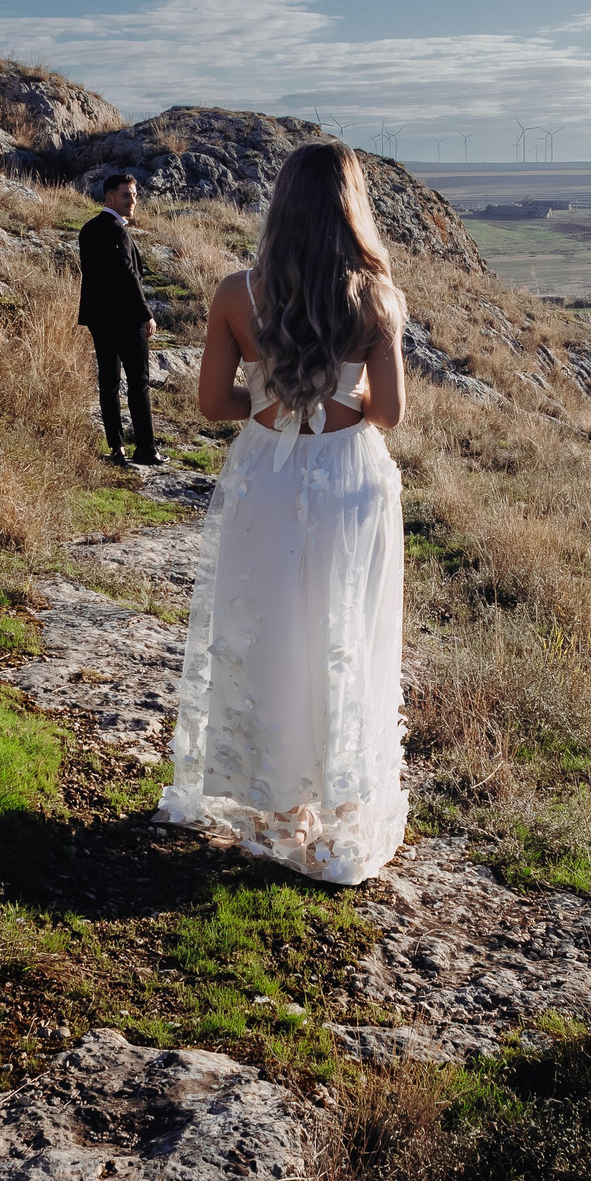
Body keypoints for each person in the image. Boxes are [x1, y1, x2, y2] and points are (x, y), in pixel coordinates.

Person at [156, 142, 409, 885]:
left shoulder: (238, 292)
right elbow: (388, 414)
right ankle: (334, 809)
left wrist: (271, 403)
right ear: (351, 206)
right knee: (342, 633)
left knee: (269, 631)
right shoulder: (376, 297)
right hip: (349, 481)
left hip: (266, 473)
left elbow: (209, 404)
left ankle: (273, 805)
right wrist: (340, 399)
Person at [77, 172, 157, 466]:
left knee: (108, 382)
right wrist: (145, 313)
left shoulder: (87, 229)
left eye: (135, 195)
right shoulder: (117, 231)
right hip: (125, 319)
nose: (132, 200)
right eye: (126, 195)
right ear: (109, 197)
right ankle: (146, 449)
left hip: (99, 319)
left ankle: (117, 447)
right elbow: (128, 276)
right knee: (139, 382)